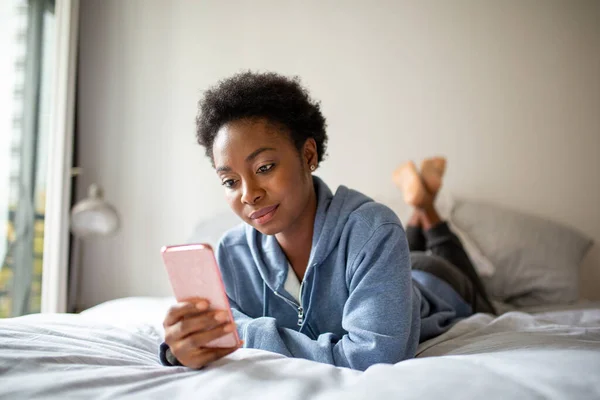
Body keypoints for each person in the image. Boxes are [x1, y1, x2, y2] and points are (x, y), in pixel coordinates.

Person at [159, 72, 495, 371]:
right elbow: (210, 335)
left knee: (461, 276)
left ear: (308, 155)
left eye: (264, 168)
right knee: (393, 243)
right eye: (230, 181)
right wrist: (180, 346)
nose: (248, 195)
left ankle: (428, 213)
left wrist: (243, 334)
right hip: (381, 261)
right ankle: (420, 210)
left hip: (435, 280)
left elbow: (373, 357)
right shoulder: (232, 252)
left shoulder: (373, 230)